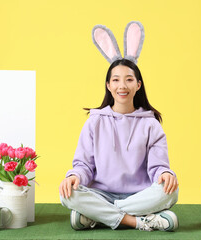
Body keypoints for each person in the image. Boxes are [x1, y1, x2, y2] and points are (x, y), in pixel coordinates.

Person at [59, 21, 179, 232]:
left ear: (138, 85)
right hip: (101, 193)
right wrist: (74, 177)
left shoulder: (151, 125)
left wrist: (165, 174)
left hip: (139, 194)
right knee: (67, 192)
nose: (122, 86)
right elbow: (84, 166)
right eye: (115, 80)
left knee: (171, 190)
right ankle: (138, 221)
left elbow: (158, 167)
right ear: (108, 85)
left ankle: (97, 215)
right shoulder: (94, 122)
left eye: (129, 80)